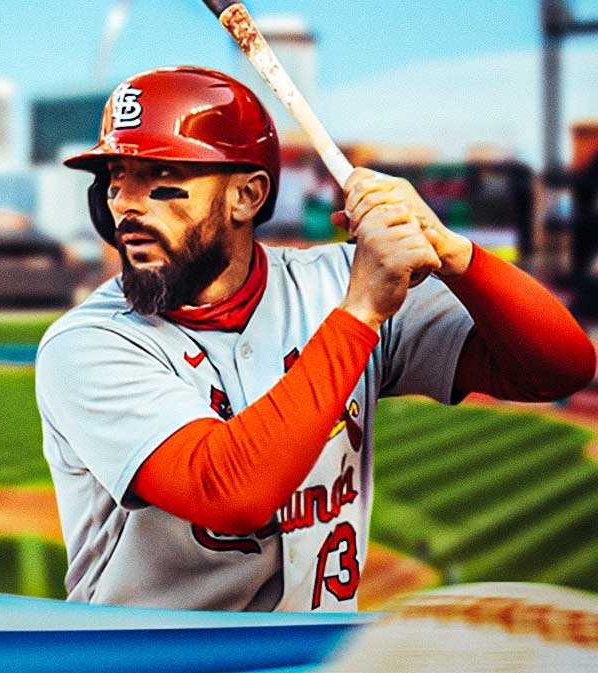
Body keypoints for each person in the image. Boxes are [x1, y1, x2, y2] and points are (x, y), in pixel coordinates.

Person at [35, 67, 595, 611]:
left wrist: (456, 254)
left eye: (160, 183)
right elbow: (229, 492)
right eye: (115, 180)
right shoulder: (88, 342)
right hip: (155, 660)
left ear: (247, 197)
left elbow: (558, 367)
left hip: (310, 656)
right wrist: (361, 312)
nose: (125, 204)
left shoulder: (334, 282)